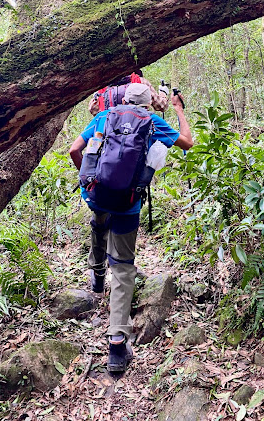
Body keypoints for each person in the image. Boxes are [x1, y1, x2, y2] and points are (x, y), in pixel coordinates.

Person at [69, 82, 193, 373]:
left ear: (122, 98)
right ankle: (115, 346)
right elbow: (187, 142)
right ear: (148, 104)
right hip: (128, 204)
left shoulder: (104, 116)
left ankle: (97, 277)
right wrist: (178, 109)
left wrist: (89, 181)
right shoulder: (153, 122)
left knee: (98, 227)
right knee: (123, 268)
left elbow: (75, 149)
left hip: (97, 195)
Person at [88, 69, 170, 116]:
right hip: (137, 132)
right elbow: (161, 106)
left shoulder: (103, 88)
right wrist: (163, 93)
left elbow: (94, 111)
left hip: (111, 137)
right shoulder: (140, 81)